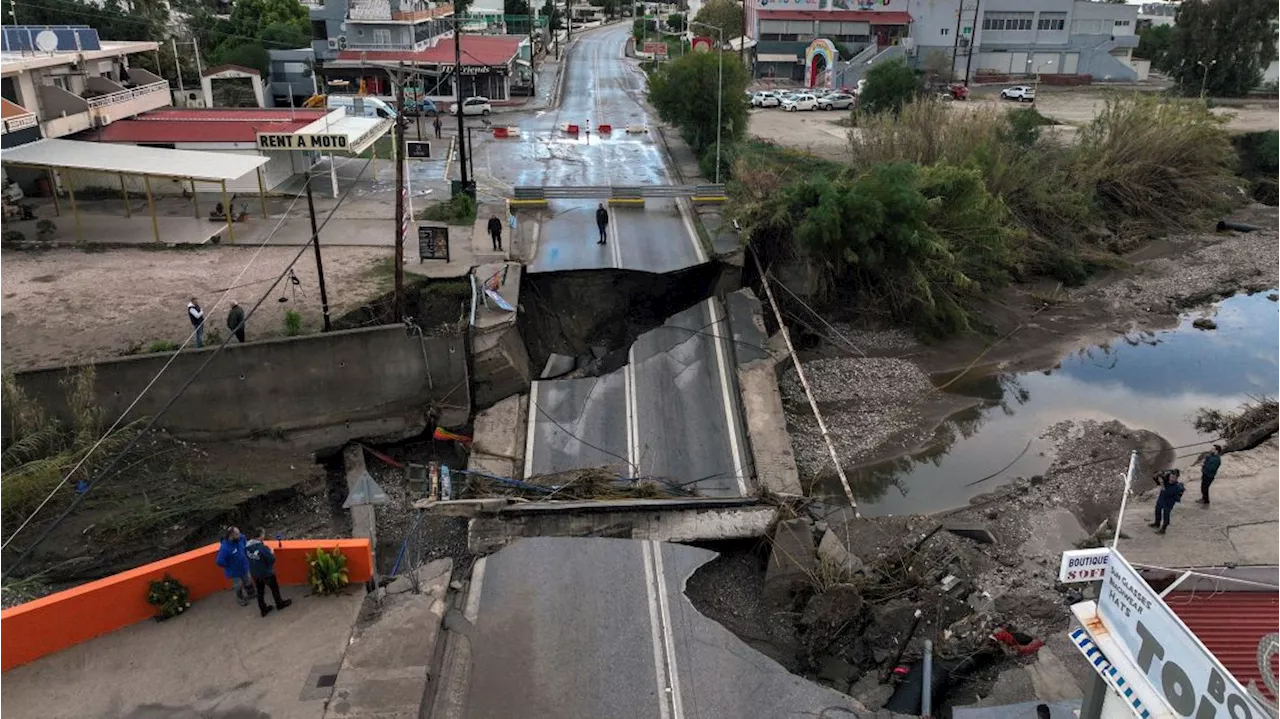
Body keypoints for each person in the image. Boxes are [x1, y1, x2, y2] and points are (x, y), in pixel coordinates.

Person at [246, 528, 292, 618]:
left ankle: (263, 609)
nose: (264, 535)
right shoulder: (263, 548)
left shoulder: (247, 547)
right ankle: (279, 603)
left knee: (260, 592)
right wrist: (271, 553)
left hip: (255, 573)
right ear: (260, 536)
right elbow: (271, 560)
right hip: (266, 573)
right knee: (274, 589)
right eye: (263, 534)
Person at [215, 526, 256, 606]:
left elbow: (245, 544)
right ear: (231, 535)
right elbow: (219, 561)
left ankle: (251, 593)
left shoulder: (241, 538)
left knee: (248, 580)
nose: (240, 535)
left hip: (244, 566)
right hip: (234, 572)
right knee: (238, 585)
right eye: (237, 534)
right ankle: (240, 599)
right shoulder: (225, 548)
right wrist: (229, 566)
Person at [1149, 469, 1185, 535]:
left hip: (1169, 502)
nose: (1172, 479)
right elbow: (1156, 479)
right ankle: (1157, 523)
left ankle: (1163, 529)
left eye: (1174, 478)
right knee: (1157, 510)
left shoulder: (1177, 487)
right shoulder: (1165, 480)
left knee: (1166, 515)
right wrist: (1158, 476)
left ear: (1177, 478)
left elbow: (1169, 492)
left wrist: (1162, 485)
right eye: (1171, 477)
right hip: (1161, 499)